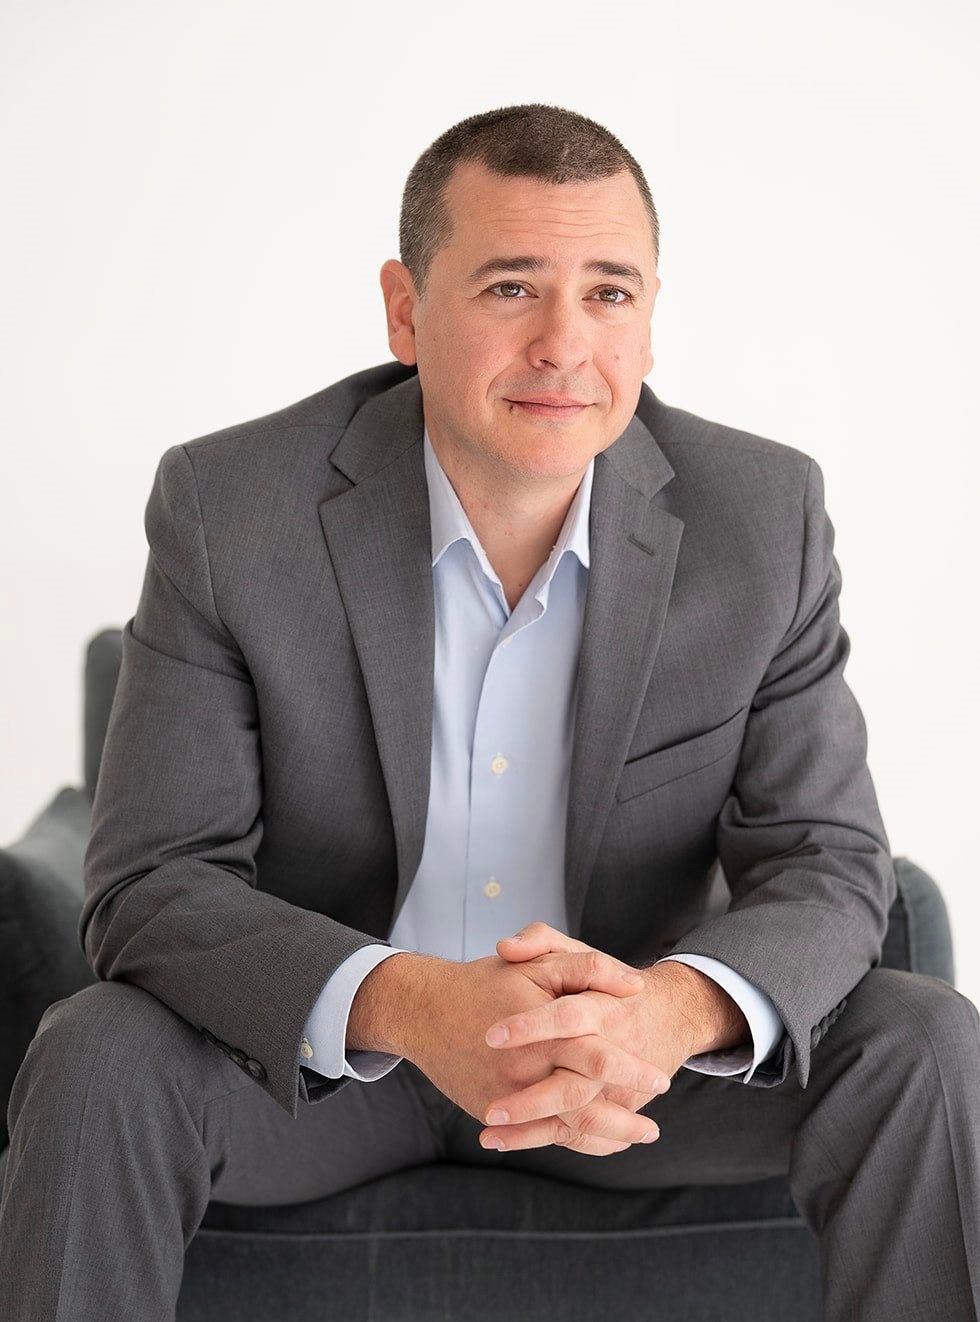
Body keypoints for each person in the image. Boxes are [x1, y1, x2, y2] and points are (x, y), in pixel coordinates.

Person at [1, 101, 977, 1322]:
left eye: (609, 292)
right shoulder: (228, 506)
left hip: (630, 1069)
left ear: (652, 315)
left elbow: (830, 863)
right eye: (512, 287)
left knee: (921, 1039)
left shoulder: (759, 517)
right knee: (100, 1053)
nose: (566, 344)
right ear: (406, 310)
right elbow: (150, 879)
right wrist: (413, 1002)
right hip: (332, 1066)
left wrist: (666, 1013)